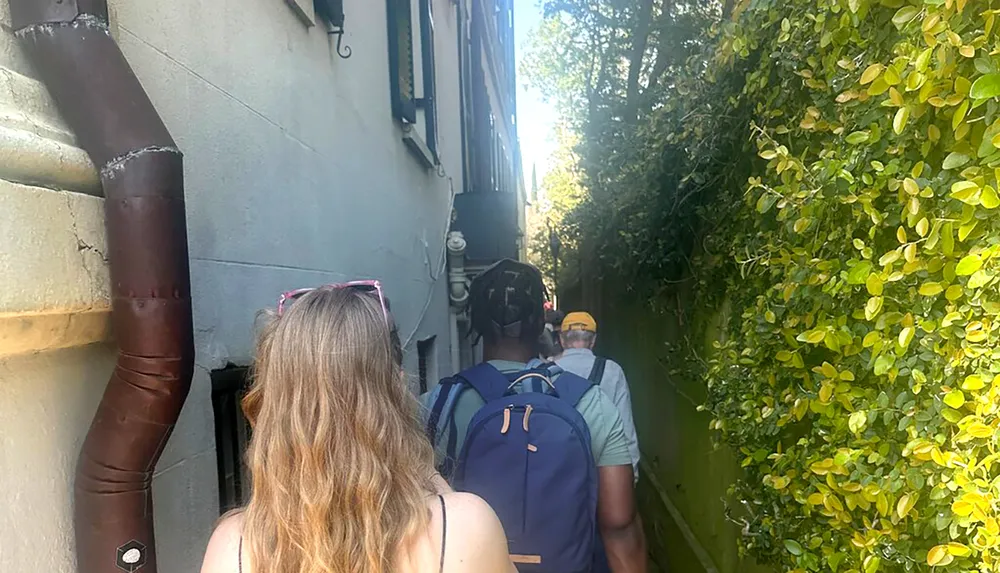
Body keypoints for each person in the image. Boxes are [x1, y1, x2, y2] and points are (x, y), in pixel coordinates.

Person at [200, 282, 514, 573]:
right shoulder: (463, 528)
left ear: (271, 405)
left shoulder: (232, 547)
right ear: (397, 391)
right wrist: (421, 462)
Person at [423, 260, 647, 573]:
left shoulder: (436, 406)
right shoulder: (589, 402)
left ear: (475, 321)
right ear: (541, 320)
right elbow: (620, 523)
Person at [557, 312, 640, 484]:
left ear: (562, 340)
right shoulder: (612, 371)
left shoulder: (544, 370)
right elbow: (626, 428)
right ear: (593, 341)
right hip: (603, 473)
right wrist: (631, 478)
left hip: (558, 473)